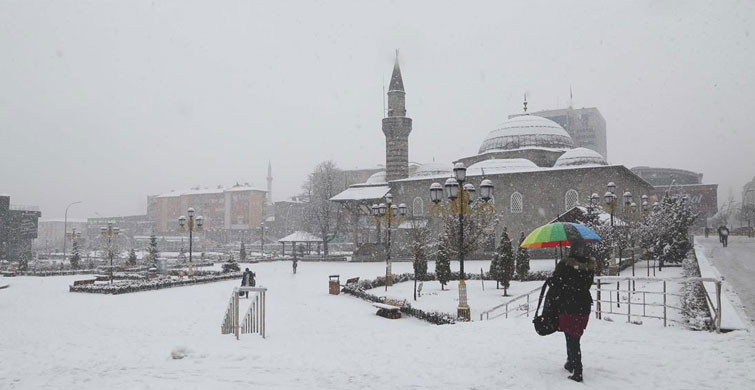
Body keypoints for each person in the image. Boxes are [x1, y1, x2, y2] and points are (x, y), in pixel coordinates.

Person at [551, 240, 595, 383]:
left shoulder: (565, 264)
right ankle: (570, 361)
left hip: (569, 305)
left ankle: (578, 369)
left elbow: (556, 282)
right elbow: (586, 284)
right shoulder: (589, 265)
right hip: (584, 305)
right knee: (574, 334)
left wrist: (561, 270)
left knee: (571, 336)